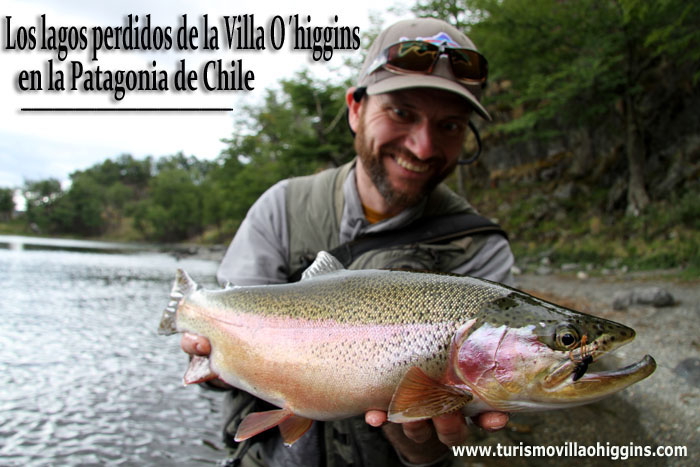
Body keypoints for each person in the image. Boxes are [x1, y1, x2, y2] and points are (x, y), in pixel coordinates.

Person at [182, 17, 514, 467]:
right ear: (355, 109)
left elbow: (442, 440)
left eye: (450, 126)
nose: (422, 147)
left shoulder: (479, 247)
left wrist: (421, 444)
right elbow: (230, 335)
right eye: (401, 113)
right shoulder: (282, 207)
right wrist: (215, 362)